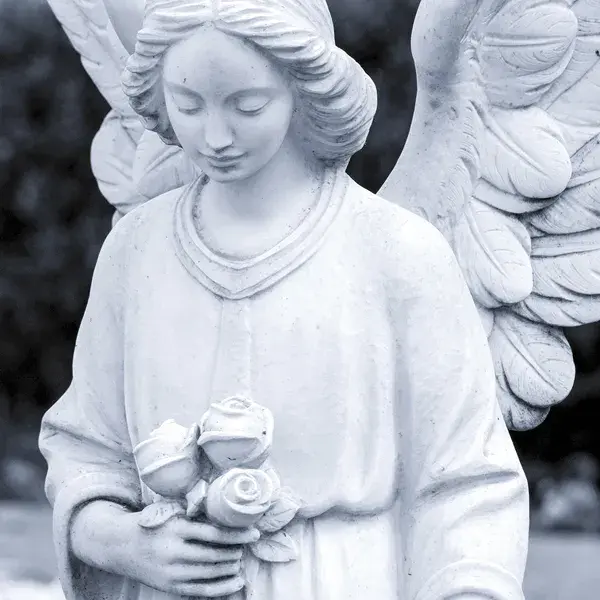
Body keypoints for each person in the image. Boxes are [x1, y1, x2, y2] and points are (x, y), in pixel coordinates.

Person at [39, 0, 529, 598]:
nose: (214, 137)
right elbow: (86, 447)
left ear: (305, 90)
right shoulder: (137, 249)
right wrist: (123, 543)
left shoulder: (397, 252)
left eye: (247, 106)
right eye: (187, 105)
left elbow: (467, 478)